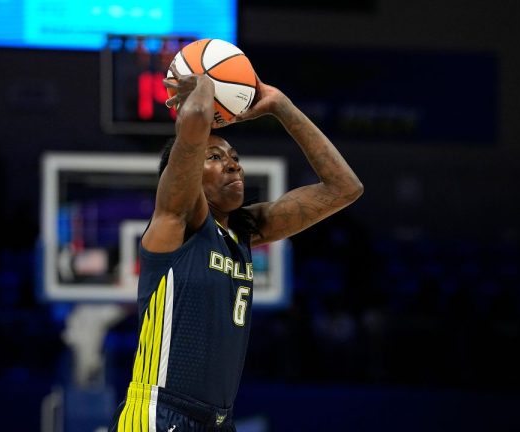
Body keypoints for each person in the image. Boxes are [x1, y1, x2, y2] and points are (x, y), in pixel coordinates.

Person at [109, 62, 364, 431]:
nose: (233, 165)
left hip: (218, 420)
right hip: (158, 412)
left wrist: (281, 106)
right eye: (215, 157)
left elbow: (345, 188)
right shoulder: (177, 221)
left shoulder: (246, 231)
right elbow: (195, 123)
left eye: (235, 158)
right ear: (185, 175)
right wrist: (204, 83)